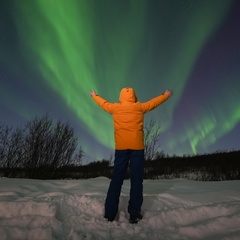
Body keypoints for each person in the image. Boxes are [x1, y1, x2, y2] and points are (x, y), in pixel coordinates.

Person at [90, 87, 173, 223]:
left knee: (117, 179)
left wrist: (94, 96)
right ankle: (134, 214)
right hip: (137, 148)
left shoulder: (115, 108)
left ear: (121, 97)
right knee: (136, 180)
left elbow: (103, 104)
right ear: (134, 97)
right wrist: (165, 95)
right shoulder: (139, 107)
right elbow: (154, 103)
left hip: (121, 148)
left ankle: (109, 214)